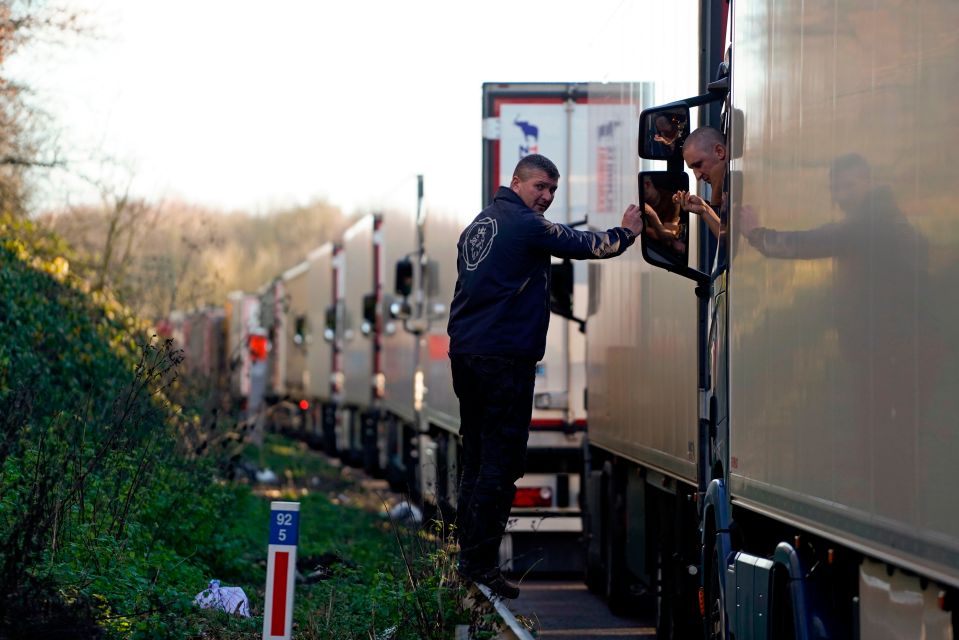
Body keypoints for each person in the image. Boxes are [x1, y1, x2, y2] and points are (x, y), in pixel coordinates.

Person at [447, 153, 644, 599]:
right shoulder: (525, 225)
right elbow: (587, 245)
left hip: (469, 354)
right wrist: (627, 231)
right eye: (540, 187)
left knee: (476, 459)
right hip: (503, 358)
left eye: (552, 190)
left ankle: (467, 560)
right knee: (502, 461)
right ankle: (479, 565)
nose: (547, 197)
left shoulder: (480, 224)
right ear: (516, 182)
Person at [738, 153, 932, 519]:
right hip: (887, 355)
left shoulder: (871, 222)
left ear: (869, 181)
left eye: (849, 184)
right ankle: (894, 512)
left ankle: (894, 517)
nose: (842, 194)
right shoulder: (883, 219)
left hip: (888, 358)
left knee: (885, 449)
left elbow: (811, 243)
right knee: (885, 446)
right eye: (836, 187)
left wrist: (755, 234)